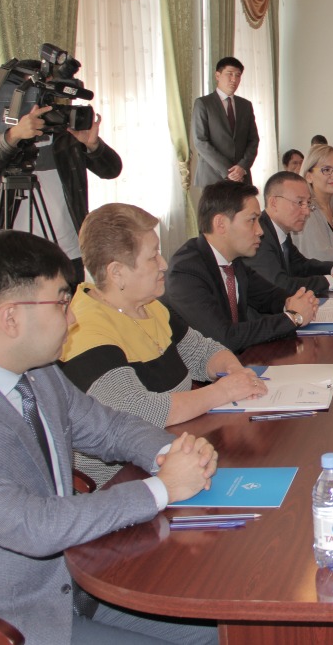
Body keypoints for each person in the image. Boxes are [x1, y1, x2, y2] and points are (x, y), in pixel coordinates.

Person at [0, 230, 219, 644]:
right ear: (11, 318)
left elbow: (110, 428)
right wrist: (162, 488)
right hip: (0, 623)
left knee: (224, 629)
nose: (74, 317)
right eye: (62, 302)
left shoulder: (38, 373)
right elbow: (33, 525)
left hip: (73, 587)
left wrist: (173, 452)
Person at [59, 204, 267, 486]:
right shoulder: (83, 328)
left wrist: (234, 372)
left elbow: (202, 351)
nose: (164, 264)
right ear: (117, 272)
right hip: (122, 479)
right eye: (152, 256)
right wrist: (223, 391)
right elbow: (137, 411)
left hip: (177, 448)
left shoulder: (149, 306)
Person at [0, 101, 121, 284]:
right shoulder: (0, 122)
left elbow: (111, 170)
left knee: (68, 301)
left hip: (67, 250)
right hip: (12, 251)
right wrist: (14, 135)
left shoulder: (67, 125)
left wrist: (93, 145)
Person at [164, 180, 318, 353]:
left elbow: (268, 296)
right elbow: (224, 337)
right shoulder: (185, 272)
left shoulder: (233, 261)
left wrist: (297, 302)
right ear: (221, 223)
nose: (260, 231)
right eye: (252, 220)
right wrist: (293, 317)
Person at [245, 170, 333, 293]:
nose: (306, 212)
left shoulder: (280, 231)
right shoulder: (258, 235)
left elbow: (301, 265)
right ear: (274, 203)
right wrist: (332, 281)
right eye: (300, 203)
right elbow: (279, 285)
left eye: (308, 203)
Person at [192, 56, 259, 191]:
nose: (234, 79)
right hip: (212, 177)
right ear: (218, 75)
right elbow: (200, 141)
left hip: (241, 177)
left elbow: (253, 140)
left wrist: (242, 167)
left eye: (238, 75)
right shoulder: (203, 103)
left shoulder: (245, 105)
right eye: (230, 74)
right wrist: (228, 170)